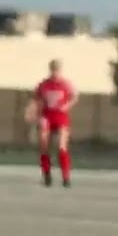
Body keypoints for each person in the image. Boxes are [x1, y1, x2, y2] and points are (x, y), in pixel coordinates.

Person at [28, 60, 78, 188]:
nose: (55, 73)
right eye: (53, 70)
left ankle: (66, 177)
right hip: (47, 116)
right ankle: (47, 175)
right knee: (44, 145)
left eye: (57, 70)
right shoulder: (44, 84)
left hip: (60, 117)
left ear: (60, 70)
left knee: (62, 147)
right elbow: (37, 100)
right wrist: (34, 114)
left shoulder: (66, 84)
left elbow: (74, 96)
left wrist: (66, 106)